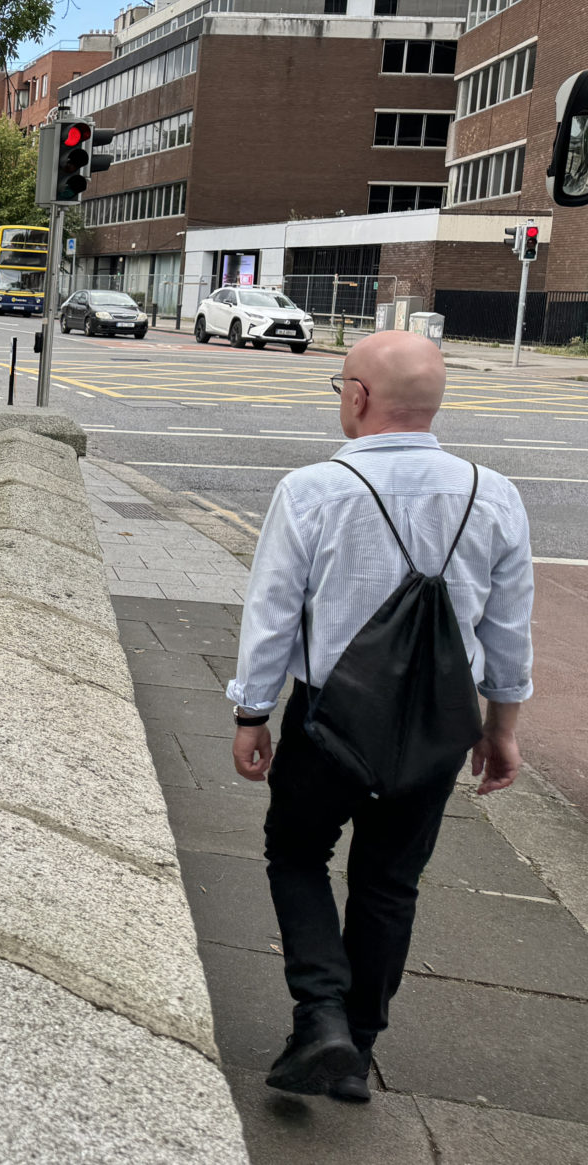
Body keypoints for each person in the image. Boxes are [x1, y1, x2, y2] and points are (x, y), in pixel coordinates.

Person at [227, 329, 532, 1103]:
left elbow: (272, 615)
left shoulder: (313, 490)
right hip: (436, 731)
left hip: (331, 723)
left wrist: (253, 711)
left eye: (340, 387)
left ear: (357, 397)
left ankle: (320, 1011)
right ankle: (356, 1048)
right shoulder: (493, 494)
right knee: (391, 883)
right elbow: (507, 631)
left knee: (296, 853)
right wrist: (501, 729)